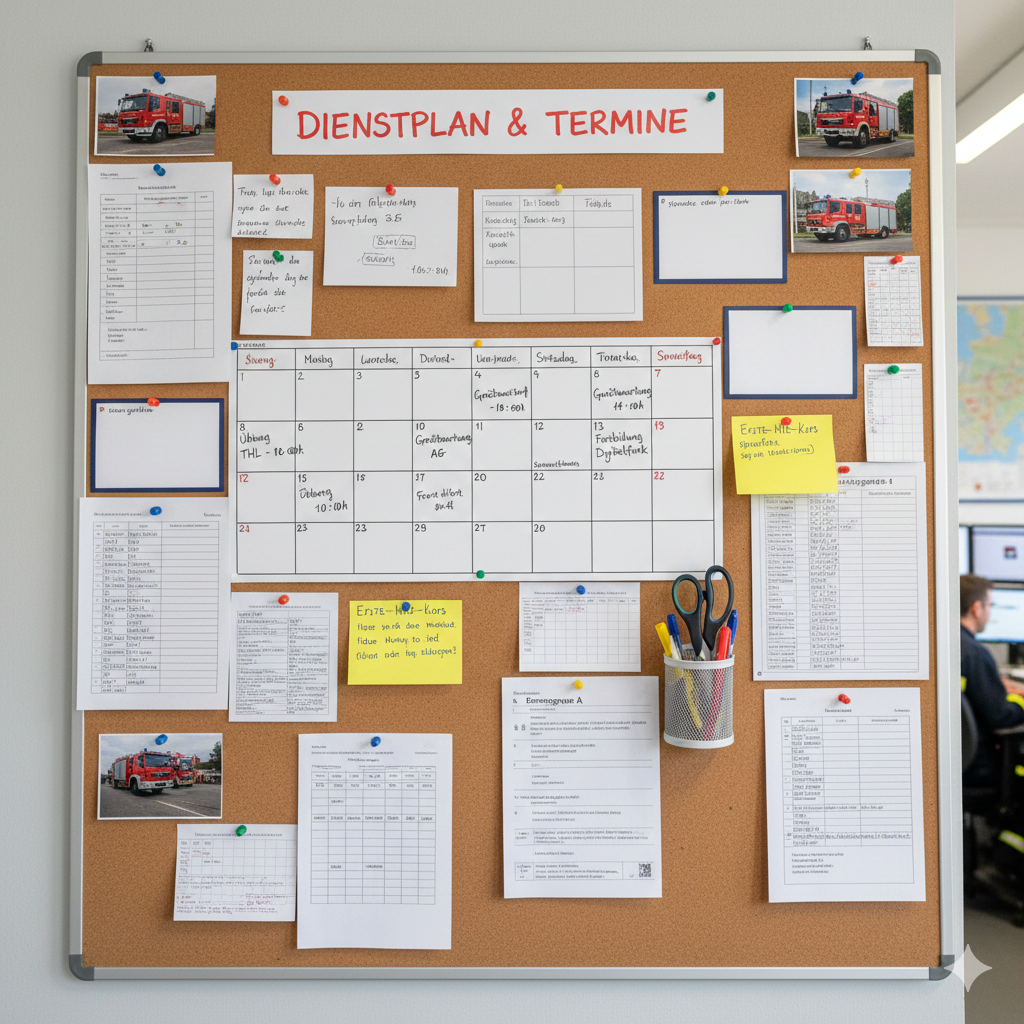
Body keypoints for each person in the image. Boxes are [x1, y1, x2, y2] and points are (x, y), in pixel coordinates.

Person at [960, 574, 1024, 872]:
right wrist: (1018, 700)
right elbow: (1001, 716)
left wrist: (998, 688)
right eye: (990, 606)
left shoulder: (951, 645)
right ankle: (1007, 863)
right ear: (976, 608)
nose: (989, 612)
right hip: (981, 767)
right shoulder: (975, 653)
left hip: (961, 760)